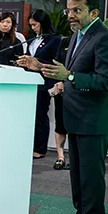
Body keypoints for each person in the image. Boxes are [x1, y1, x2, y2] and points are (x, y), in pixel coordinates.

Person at [18, 0, 108, 214]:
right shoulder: (77, 36)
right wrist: (38, 65)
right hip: (76, 116)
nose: (70, 15)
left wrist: (71, 77)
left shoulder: (106, 38)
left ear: (94, 13)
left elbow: (107, 81)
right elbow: (66, 73)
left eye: (77, 10)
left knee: (91, 178)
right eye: (69, 10)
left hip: (95, 120)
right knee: (78, 176)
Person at [16, 9, 62, 159]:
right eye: (31, 25)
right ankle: (28, 144)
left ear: (43, 23)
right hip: (29, 81)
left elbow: (56, 62)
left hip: (44, 82)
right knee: (29, 116)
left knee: (40, 115)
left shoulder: (54, 40)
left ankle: (40, 148)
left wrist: (38, 64)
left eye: (34, 25)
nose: (32, 28)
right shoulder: (32, 39)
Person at [50, 35, 72, 170]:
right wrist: (58, 82)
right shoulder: (65, 41)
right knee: (60, 125)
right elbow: (56, 63)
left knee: (75, 126)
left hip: (78, 89)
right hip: (60, 89)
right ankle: (60, 157)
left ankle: (75, 158)